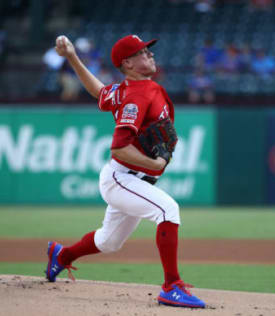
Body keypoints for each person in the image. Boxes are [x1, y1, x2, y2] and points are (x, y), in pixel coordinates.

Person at [45, 34, 206, 309]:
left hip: (132, 180)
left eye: (149, 51)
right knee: (168, 210)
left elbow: (99, 91)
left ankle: (61, 255)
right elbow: (119, 148)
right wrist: (156, 165)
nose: (151, 55)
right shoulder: (135, 97)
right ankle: (172, 286)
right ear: (128, 63)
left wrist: (72, 56)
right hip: (122, 179)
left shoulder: (128, 89)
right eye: (143, 52)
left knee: (109, 242)